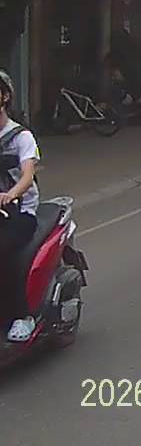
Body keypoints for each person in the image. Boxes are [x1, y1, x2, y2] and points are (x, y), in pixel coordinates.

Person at [0, 70, 40, 342]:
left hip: (20, 211)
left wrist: (11, 193)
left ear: (4, 97)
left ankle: (22, 316)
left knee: (3, 252)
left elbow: (27, 175)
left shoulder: (21, 136)